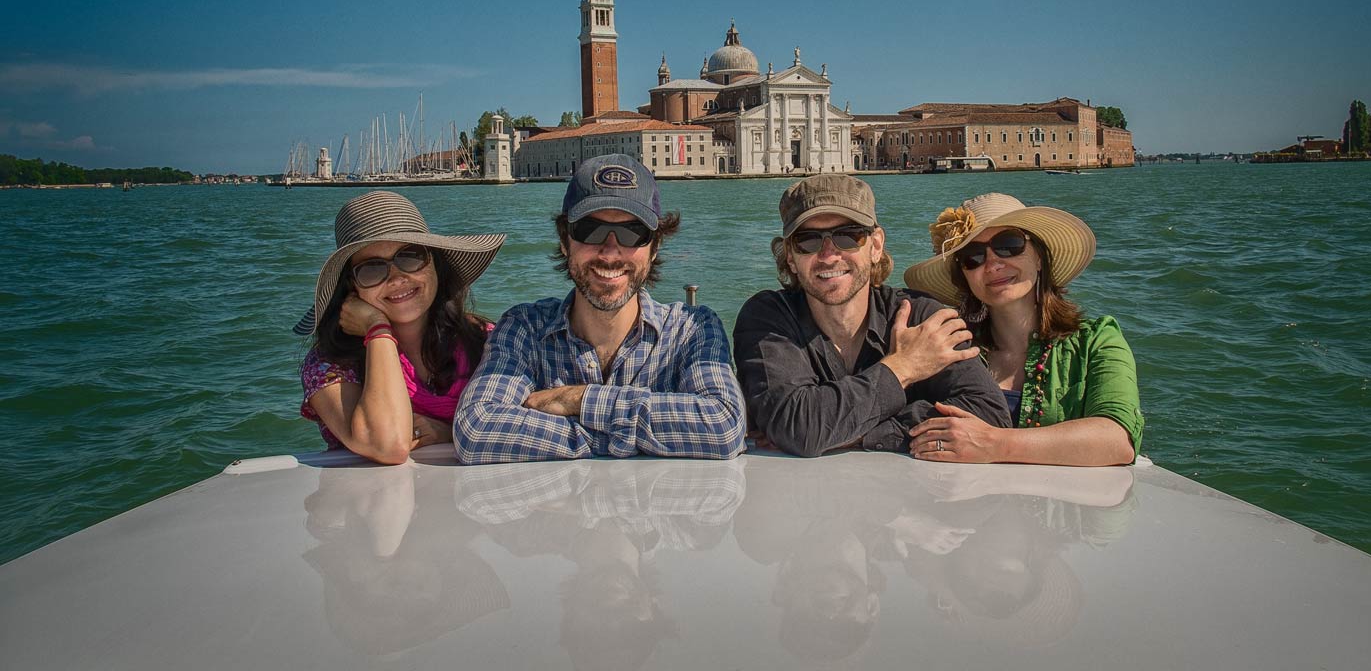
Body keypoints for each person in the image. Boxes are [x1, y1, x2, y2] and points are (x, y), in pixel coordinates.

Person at [453, 153, 745, 462]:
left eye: (633, 232)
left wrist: (579, 400)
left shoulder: (692, 328)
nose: (609, 251)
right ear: (565, 241)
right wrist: (621, 437)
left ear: (654, 247)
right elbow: (476, 429)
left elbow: (723, 426)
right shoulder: (523, 327)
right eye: (590, 230)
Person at [732, 174, 1009, 458]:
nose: (829, 254)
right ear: (790, 256)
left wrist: (855, 433)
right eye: (808, 240)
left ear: (875, 246)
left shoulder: (923, 316)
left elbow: (990, 414)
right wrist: (903, 367)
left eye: (848, 236)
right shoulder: (767, 319)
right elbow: (798, 427)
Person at [902, 192, 1143, 466]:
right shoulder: (947, 348)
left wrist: (994, 444)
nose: (993, 264)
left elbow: (1117, 439)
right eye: (973, 256)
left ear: (1040, 257)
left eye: (1009, 245)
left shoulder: (1097, 341)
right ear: (964, 275)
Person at [296, 190, 505, 464]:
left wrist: (449, 433)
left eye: (410, 257)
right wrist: (377, 328)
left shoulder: (486, 340)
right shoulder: (327, 366)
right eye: (372, 269)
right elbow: (388, 444)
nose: (396, 279)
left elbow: (524, 418)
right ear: (352, 286)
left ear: (435, 264)